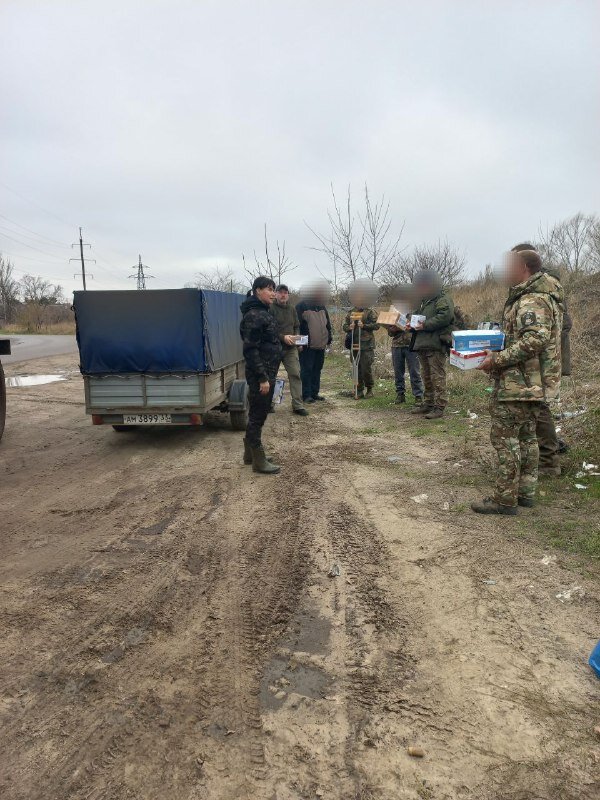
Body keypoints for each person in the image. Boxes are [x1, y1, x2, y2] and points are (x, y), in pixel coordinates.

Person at [472, 249, 562, 514]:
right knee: (526, 438)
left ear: (523, 267)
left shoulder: (531, 300)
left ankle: (504, 500)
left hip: (519, 383)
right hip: (529, 383)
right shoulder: (539, 296)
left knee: (505, 439)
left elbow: (534, 340)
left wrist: (496, 360)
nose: (505, 270)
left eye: (509, 265)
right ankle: (525, 493)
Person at [511, 243, 571, 476]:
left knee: (540, 409)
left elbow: (554, 328)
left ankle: (548, 462)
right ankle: (541, 458)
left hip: (541, 363)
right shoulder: (534, 289)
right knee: (535, 409)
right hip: (534, 362)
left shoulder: (542, 292)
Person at [239, 276, 282, 474]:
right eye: (269, 289)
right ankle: (258, 459)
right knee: (258, 415)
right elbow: (250, 350)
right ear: (257, 291)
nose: (273, 293)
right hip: (261, 373)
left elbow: (267, 339)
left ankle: (250, 454)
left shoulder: (262, 312)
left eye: (274, 289)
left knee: (257, 413)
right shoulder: (254, 315)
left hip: (267, 370)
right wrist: (263, 378)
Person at [409, 270, 454, 419]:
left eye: (425, 286)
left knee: (437, 376)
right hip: (422, 343)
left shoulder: (442, 299)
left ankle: (439, 406)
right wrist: (410, 322)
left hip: (435, 343)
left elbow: (445, 317)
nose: (422, 289)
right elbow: (414, 315)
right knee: (426, 375)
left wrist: (425, 325)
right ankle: (428, 403)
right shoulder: (424, 301)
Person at [269, 284, 309, 417]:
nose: (283, 295)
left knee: (295, 374)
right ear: (275, 294)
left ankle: (297, 405)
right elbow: (268, 330)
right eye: (280, 292)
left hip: (290, 349)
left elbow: (297, 326)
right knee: (272, 377)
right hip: (274, 348)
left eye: (285, 293)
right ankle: (271, 404)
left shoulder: (292, 309)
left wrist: (297, 340)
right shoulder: (270, 308)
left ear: (288, 295)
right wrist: (282, 337)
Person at [386, 285, 424, 405]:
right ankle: (400, 394)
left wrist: (409, 326)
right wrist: (393, 328)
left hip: (412, 345)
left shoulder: (417, 311)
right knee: (398, 371)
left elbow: (420, 327)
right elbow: (390, 333)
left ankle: (418, 396)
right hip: (397, 345)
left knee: (414, 371)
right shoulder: (394, 312)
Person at [296, 282, 332, 404]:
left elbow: (327, 325)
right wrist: (299, 343)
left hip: (320, 345)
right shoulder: (301, 306)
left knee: (317, 369)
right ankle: (306, 395)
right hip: (307, 346)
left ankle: (314, 393)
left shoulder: (322, 306)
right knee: (306, 369)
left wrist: (329, 339)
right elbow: (297, 326)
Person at [342, 288, 380, 399]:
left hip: (366, 344)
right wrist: (349, 327)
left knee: (365, 368)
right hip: (354, 343)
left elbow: (377, 325)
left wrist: (364, 325)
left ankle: (369, 389)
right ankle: (358, 389)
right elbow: (344, 326)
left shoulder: (370, 311)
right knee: (356, 367)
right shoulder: (351, 312)